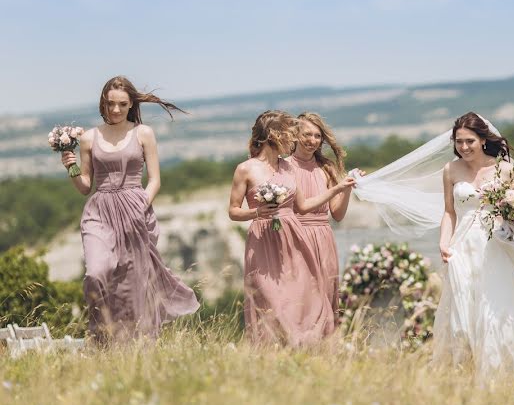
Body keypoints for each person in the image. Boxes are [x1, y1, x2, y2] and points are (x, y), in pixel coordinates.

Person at [353, 112, 514, 383]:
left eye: (469, 141)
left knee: (496, 308)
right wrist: (444, 242)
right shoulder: (450, 170)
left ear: (483, 139)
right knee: (462, 313)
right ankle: (465, 374)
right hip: (462, 246)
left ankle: (501, 376)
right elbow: (449, 212)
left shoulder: (504, 170)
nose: (463, 147)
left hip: (494, 246)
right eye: (459, 142)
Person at [62, 76, 199, 342]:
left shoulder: (143, 133)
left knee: (130, 285)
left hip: (136, 211)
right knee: (95, 273)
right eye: (110, 104)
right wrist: (71, 167)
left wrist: (141, 204)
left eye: (122, 105)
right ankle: (101, 336)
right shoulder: (89, 137)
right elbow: (84, 186)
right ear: (103, 103)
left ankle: (129, 345)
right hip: (100, 211)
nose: (115, 110)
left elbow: (155, 180)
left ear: (131, 104)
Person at [228, 111, 356, 346]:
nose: (293, 139)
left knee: (302, 299)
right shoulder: (245, 169)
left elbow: (304, 205)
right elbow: (233, 211)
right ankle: (268, 347)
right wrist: (256, 212)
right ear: (274, 135)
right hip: (263, 241)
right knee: (270, 299)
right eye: (290, 135)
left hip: (293, 239)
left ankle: (303, 346)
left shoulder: (287, 169)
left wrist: (339, 189)